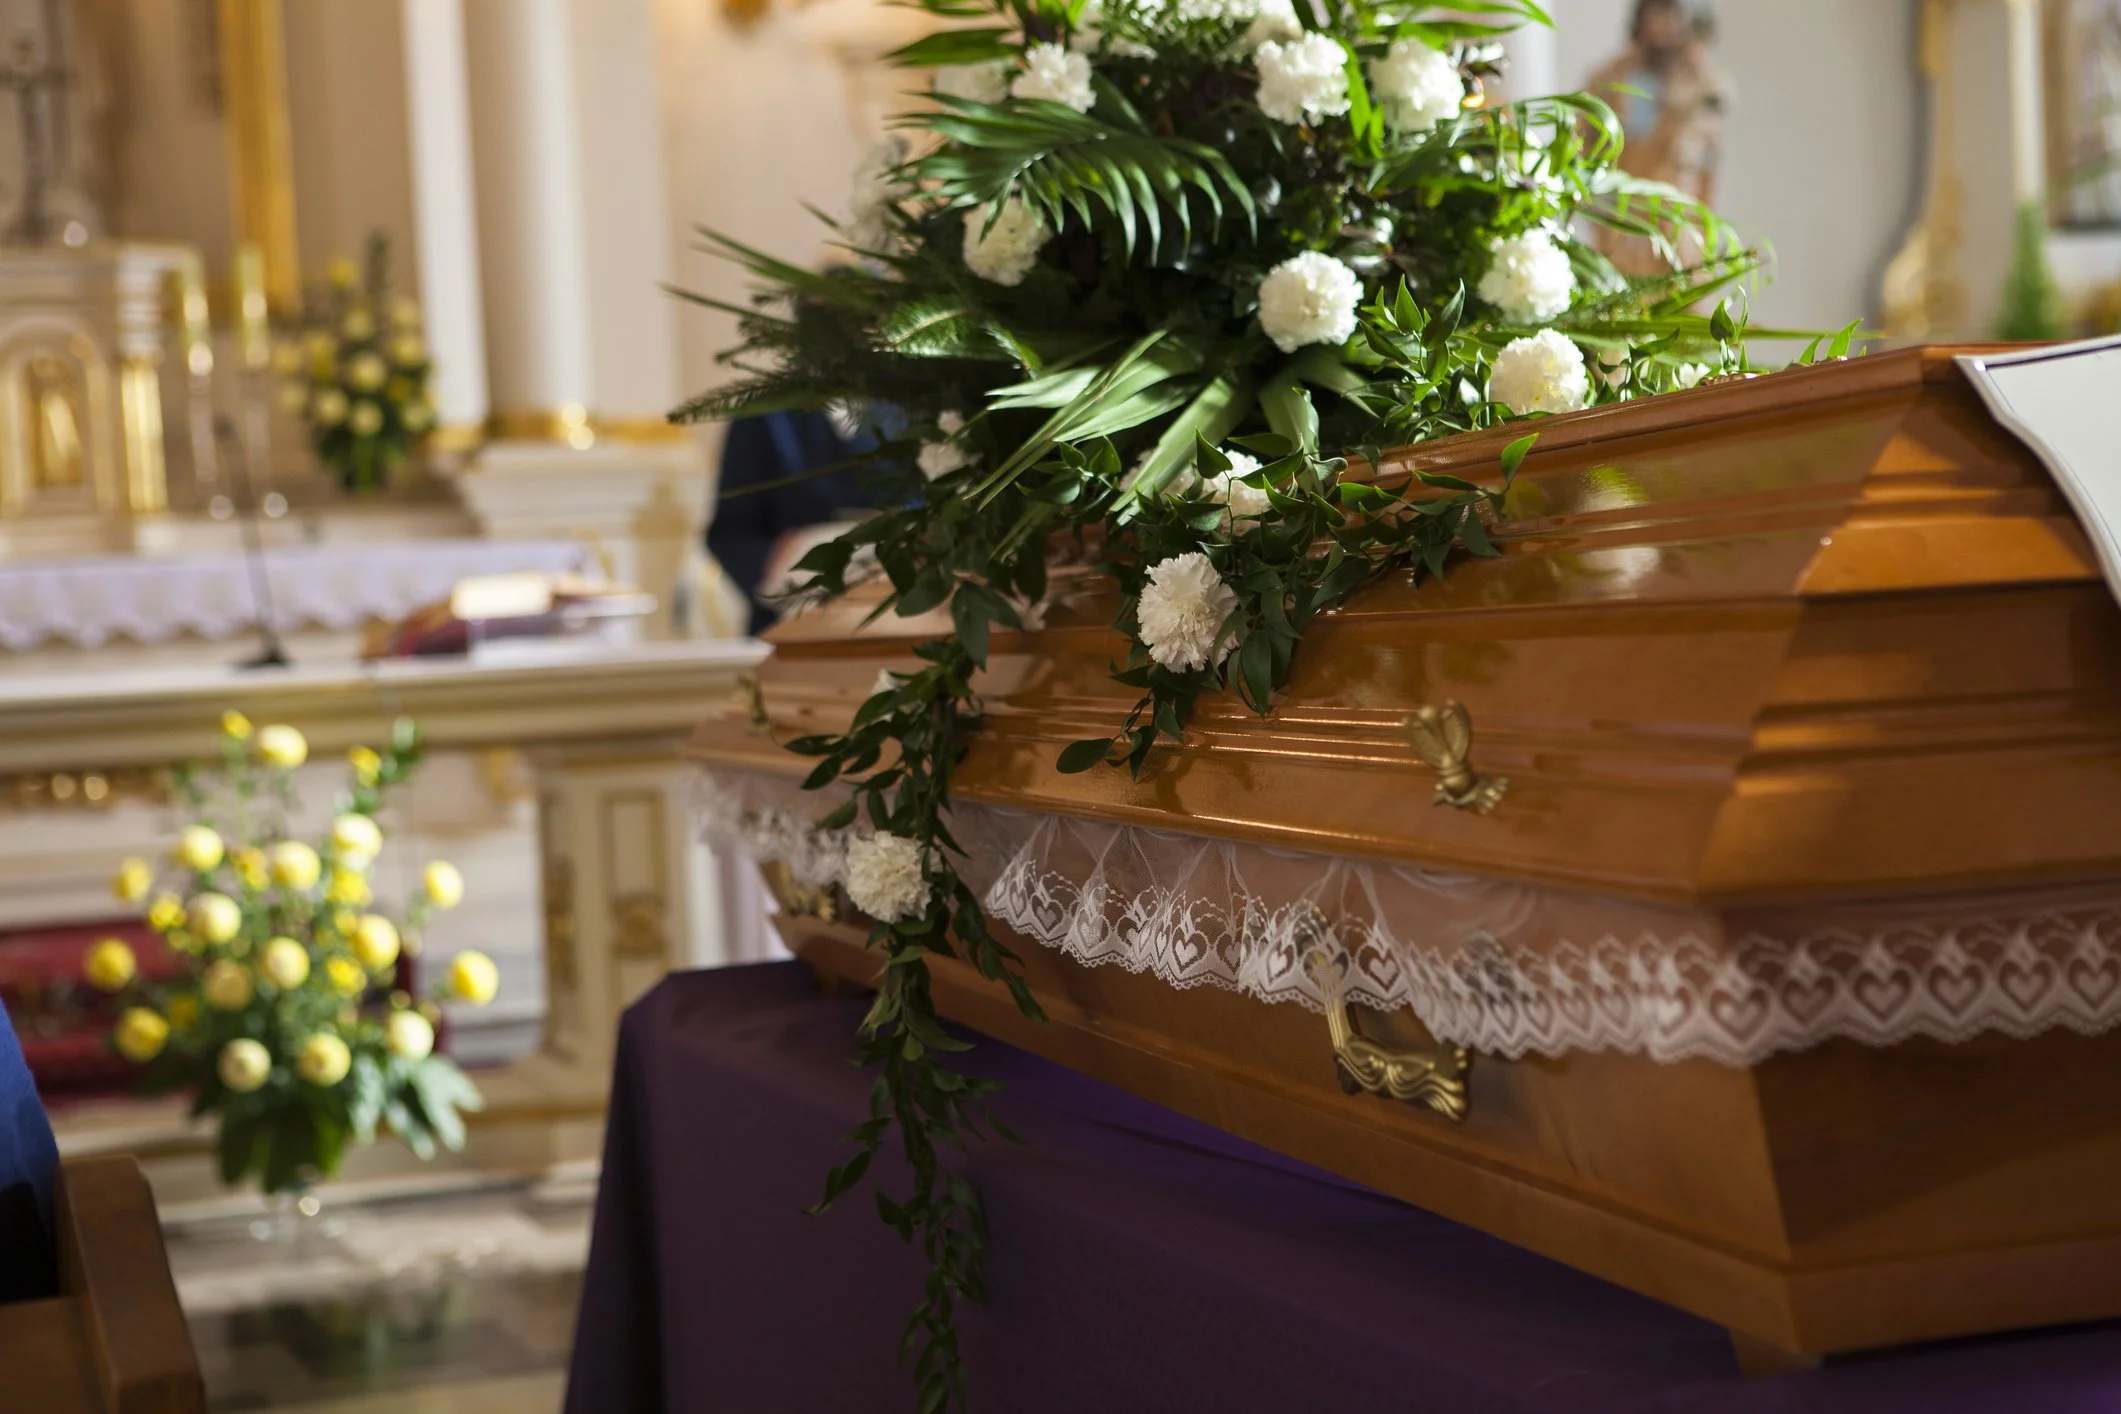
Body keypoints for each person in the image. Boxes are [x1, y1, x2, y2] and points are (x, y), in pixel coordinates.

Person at [1586, 0, 1731, 275]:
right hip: (1623, 204)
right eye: (1657, 12)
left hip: (1676, 204)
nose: (1664, 24)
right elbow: (1589, 136)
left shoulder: (1698, 81)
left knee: (1681, 283)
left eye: (1672, 14)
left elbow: (1708, 135)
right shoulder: (1611, 76)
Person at [706, 408, 880, 636]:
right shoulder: (764, 417)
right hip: (790, 621)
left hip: (895, 616)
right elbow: (732, 531)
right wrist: (775, 563)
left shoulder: (903, 409)